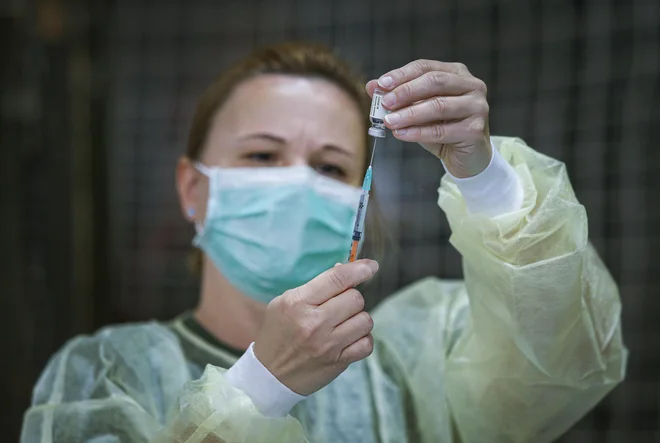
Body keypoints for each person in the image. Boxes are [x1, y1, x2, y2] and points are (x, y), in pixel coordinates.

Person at [21, 42, 627, 443]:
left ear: (358, 202)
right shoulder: (101, 378)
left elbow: (563, 355)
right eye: (261, 155)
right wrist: (263, 384)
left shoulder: (413, 367)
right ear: (193, 188)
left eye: (332, 168)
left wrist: (487, 178)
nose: (297, 182)